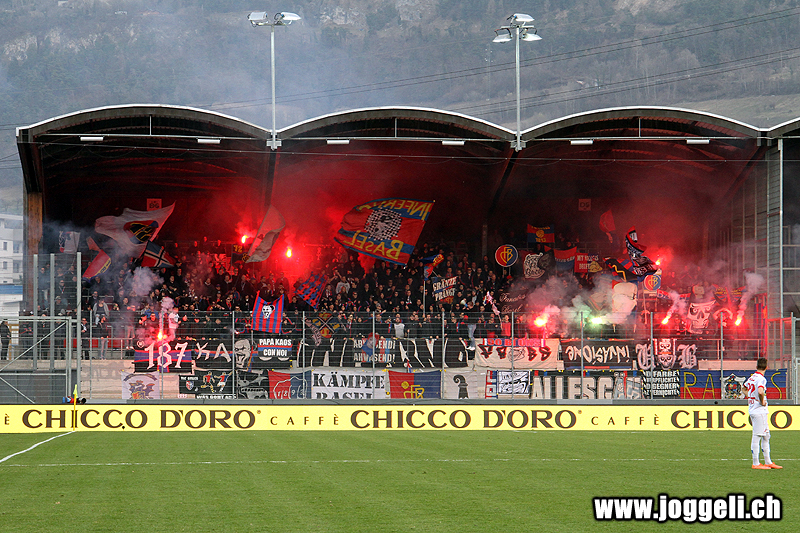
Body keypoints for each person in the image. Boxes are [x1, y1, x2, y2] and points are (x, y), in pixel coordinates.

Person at [745, 357, 782, 469]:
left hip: (755, 409)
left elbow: (744, 388)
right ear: (766, 367)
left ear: (756, 366)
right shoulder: (761, 379)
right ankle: (756, 463)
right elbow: (761, 391)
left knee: (766, 435)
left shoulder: (752, 377)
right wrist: (761, 401)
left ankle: (768, 461)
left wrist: (750, 397)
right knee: (757, 436)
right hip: (759, 410)